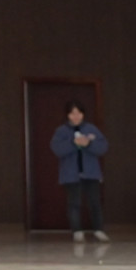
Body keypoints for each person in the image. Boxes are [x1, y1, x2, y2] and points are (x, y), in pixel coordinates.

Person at [50, 99, 109, 242]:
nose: (76, 116)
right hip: (71, 174)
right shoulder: (61, 131)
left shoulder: (91, 129)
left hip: (91, 173)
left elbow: (103, 147)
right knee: (74, 203)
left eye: (79, 113)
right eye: (72, 113)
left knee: (95, 202)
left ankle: (99, 230)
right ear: (67, 115)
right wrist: (73, 143)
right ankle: (77, 231)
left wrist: (89, 144)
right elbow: (57, 149)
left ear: (83, 114)